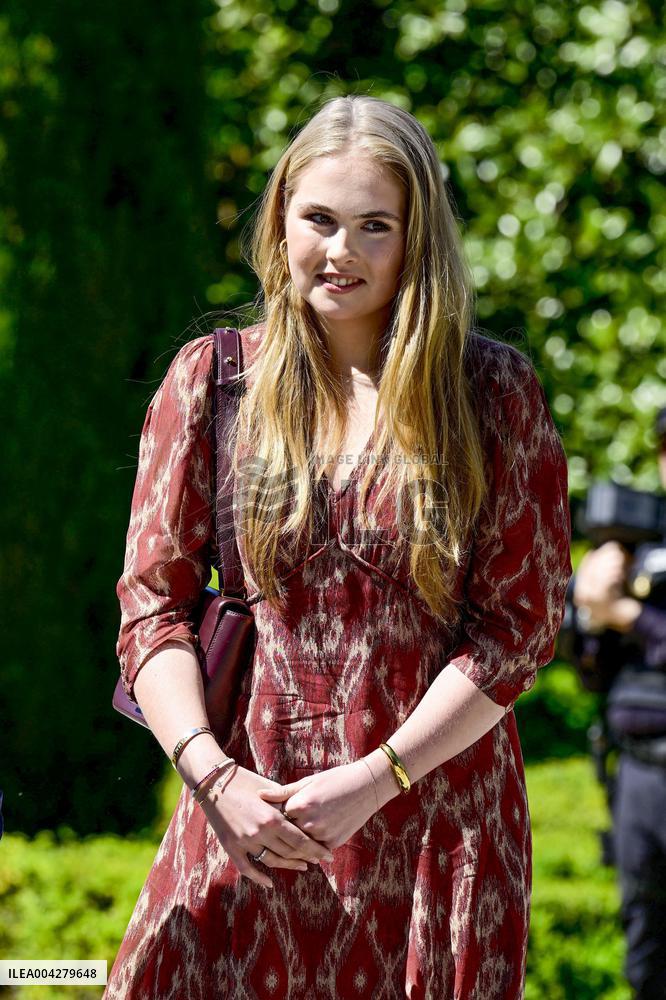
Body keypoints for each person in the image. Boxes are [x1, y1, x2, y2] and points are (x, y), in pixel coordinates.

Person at [104, 94, 572, 999]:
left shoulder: (493, 395)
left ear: (416, 241)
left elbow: (518, 631)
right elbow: (151, 609)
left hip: (435, 818)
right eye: (319, 219)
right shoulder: (213, 384)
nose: (341, 250)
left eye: (374, 226)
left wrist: (376, 779)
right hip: (246, 805)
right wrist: (211, 778)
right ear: (282, 220)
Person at [571, 408, 666, 1000]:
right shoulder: (641, 538)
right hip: (638, 770)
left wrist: (627, 616)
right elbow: (589, 670)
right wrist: (588, 610)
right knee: (647, 937)